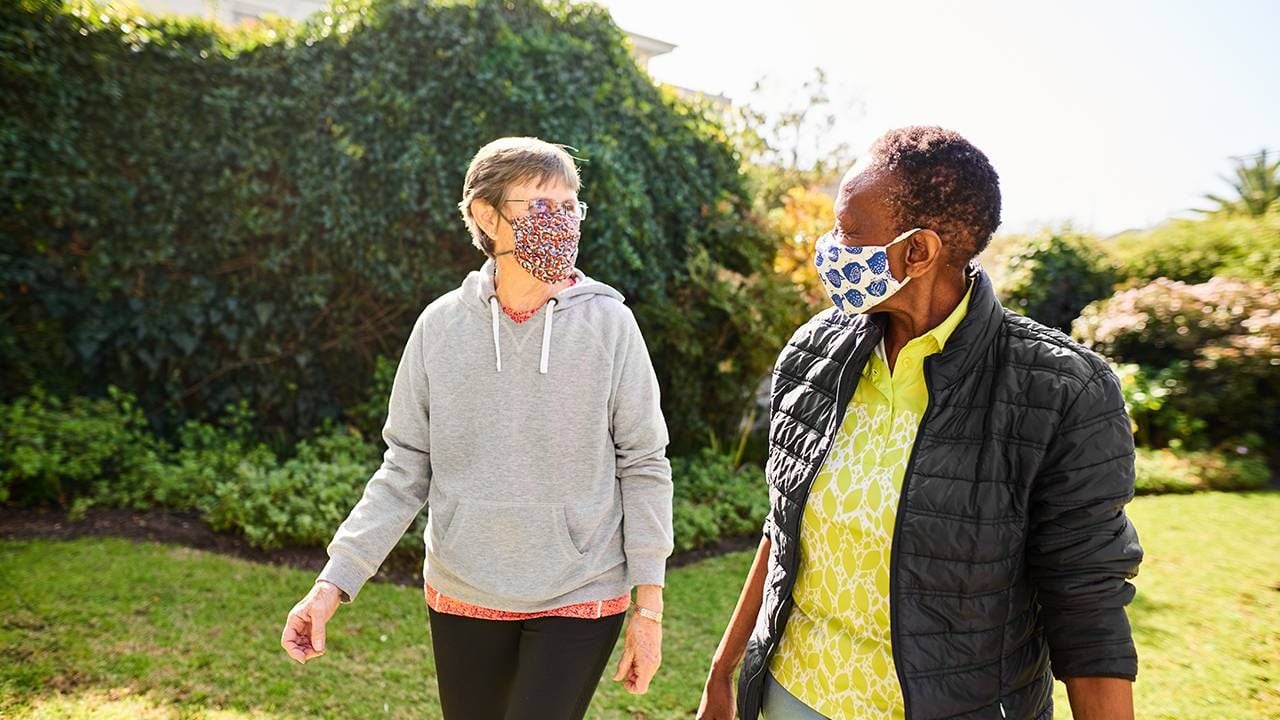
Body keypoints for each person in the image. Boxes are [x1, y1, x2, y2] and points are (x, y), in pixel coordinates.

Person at [697, 126, 1143, 720]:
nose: (827, 246)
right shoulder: (814, 353)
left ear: (918, 252)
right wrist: (724, 673)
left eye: (848, 233)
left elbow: (1087, 603)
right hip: (792, 696)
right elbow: (782, 530)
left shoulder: (1061, 391)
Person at [280, 136, 675, 720]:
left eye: (570, 207)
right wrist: (332, 584)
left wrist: (648, 609)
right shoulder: (440, 327)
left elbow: (643, 462)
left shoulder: (610, 324)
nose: (561, 223)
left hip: (581, 588)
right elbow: (405, 467)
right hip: (464, 589)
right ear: (486, 215)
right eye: (540, 207)